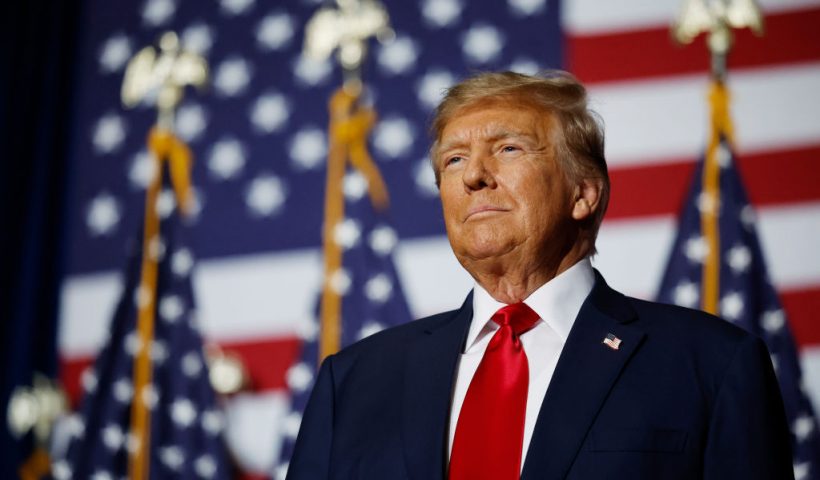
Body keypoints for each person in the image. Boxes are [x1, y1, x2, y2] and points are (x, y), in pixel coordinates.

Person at [285, 70, 793, 479]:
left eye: (508, 149)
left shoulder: (710, 364)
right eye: (454, 159)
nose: (473, 175)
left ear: (584, 193)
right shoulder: (352, 382)